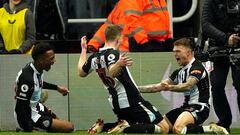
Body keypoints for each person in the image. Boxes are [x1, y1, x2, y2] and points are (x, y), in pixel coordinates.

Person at [78, 24, 169, 134]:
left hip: (116, 102)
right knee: (164, 127)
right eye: (122, 37)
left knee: (135, 125)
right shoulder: (113, 53)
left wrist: (83, 49)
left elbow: (81, 72)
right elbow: (112, 72)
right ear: (118, 38)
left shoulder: (95, 56)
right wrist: (119, 64)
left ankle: (105, 127)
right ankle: (122, 127)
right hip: (131, 99)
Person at [138, 38, 229, 134]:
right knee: (163, 127)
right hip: (185, 107)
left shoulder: (197, 67)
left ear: (188, 53)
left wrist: (169, 87)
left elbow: (188, 85)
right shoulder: (178, 72)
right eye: (174, 51)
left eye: (178, 51)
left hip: (199, 107)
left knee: (177, 129)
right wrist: (135, 89)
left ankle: (210, 129)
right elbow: (158, 87)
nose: (175, 54)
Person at [14, 42, 74, 132]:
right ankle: (29, 128)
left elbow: (39, 82)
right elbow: (19, 108)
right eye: (51, 58)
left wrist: (57, 88)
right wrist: (29, 129)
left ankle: (42, 127)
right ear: (41, 60)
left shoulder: (35, 68)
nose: (54, 61)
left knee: (60, 122)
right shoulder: (27, 78)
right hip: (29, 116)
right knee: (69, 127)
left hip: (37, 107)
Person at [201, 0, 240, 132]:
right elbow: (205, 25)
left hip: (238, 46)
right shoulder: (210, 2)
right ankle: (224, 123)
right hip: (217, 48)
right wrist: (225, 37)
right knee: (217, 86)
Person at [87, 0, 172, 52]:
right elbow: (132, 21)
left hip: (152, 44)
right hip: (136, 46)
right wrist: (93, 44)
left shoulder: (159, 1)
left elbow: (165, 19)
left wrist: (168, 38)